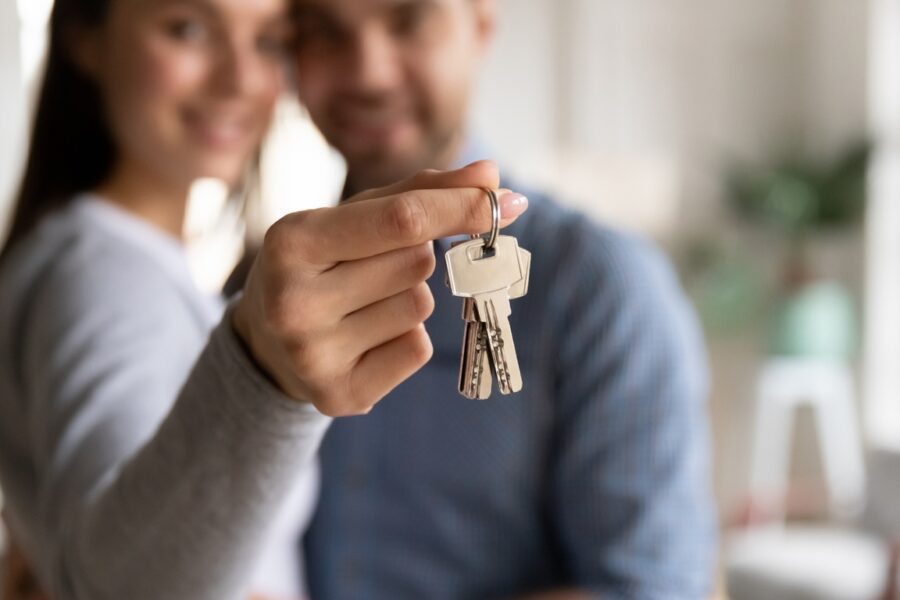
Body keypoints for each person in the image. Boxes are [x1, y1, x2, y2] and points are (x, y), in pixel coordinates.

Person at [0, 0, 527, 598]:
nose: (242, 79)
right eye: (189, 29)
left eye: (270, 41)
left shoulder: (134, 263)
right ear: (85, 38)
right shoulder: (105, 277)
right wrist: (262, 377)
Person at [292, 0, 718, 598]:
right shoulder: (263, 291)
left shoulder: (601, 287)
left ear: (481, 27)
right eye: (323, 31)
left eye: (409, 19)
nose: (369, 74)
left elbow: (650, 587)